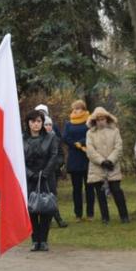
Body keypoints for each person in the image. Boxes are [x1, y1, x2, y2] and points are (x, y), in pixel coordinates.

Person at [23, 110, 60, 251]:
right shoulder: (21, 138)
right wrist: (29, 173)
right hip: (29, 177)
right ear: (28, 123)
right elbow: (19, 158)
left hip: (46, 177)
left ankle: (43, 240)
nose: (36, 124)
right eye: (33, 121)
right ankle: (34, 240)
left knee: (47, 208)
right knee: (31, 209)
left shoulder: (50, 137)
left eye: (38, 121)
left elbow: (54, 155)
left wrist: (45, 173)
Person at [86, 107, 130, 224]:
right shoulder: (90, 133)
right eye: (99, 119)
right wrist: (102, 161)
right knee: (100, 194)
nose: (101, 121)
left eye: (103, 118)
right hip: (97, 168)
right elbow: (90, 150)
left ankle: (124, 216)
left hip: (113, 166)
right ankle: (105, 217)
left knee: (117, 191)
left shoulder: (115, 131)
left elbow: (118, 147)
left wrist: (110, 160)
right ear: (95, 120)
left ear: (107, 119)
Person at [63, 100, 95, 222]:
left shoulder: (89, 121)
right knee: (76, 189)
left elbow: (91, 134)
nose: (75, 110)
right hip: (74, 158)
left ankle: (90, 214)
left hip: (87, 157)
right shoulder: (68, 124)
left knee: (89, 188)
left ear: (83, 109)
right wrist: (75, 144)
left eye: (78, 108)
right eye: (74, 108)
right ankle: (78, 214)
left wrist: (81, 142)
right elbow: (65, 137)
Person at [44, 116, 68, 228]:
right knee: (38, 196)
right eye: (46, 124)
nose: (48, 127)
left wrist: (56, 165)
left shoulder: (55, 139)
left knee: (52, 195)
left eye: (50, 125)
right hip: (38, 173)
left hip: (51, 173)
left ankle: (57, 219)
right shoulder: (35, 139)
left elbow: (61, 155)